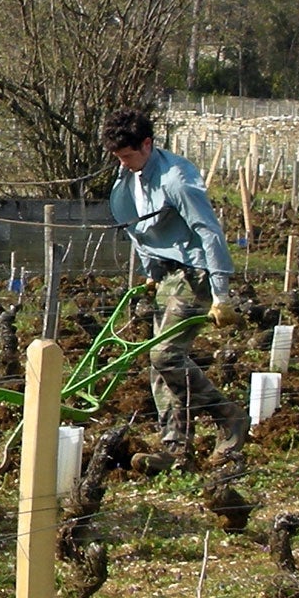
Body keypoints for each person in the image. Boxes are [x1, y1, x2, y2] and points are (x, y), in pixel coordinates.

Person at [102, 106, 248, 459]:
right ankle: (175, 449)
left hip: (194, 272)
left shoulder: (177, 179)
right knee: (158, 362)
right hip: (168, 273)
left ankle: (229, 417)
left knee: (165, 354)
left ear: (147, 144)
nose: (122, 163)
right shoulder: (130, 175)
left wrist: (221, 293)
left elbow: (208, 232)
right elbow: (141, 230)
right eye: (117, 157)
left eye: (127, 155)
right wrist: (152, 276)